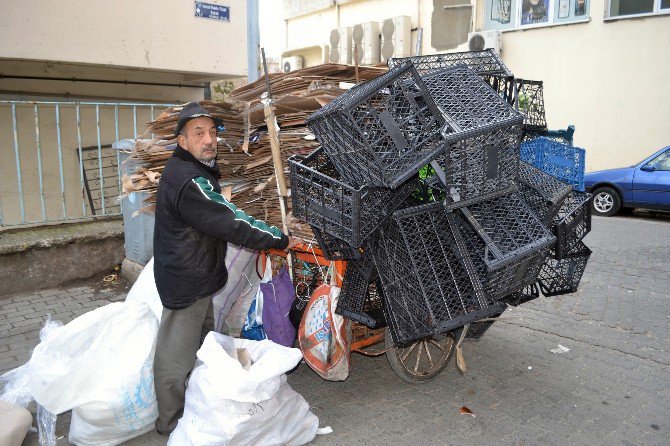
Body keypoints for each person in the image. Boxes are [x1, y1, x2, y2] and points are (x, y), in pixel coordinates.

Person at [152, 102, 300, 434]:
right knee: (175, 356)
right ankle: (170, 422)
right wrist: (277, 238)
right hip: (186, 281)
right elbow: (229, 220)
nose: (209, 140)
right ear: (182, 141)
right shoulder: (190, 180)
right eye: (198, 133)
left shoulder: (192, 172)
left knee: (207, 346)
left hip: (197, 277)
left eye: (211, 132)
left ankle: (203, 401)